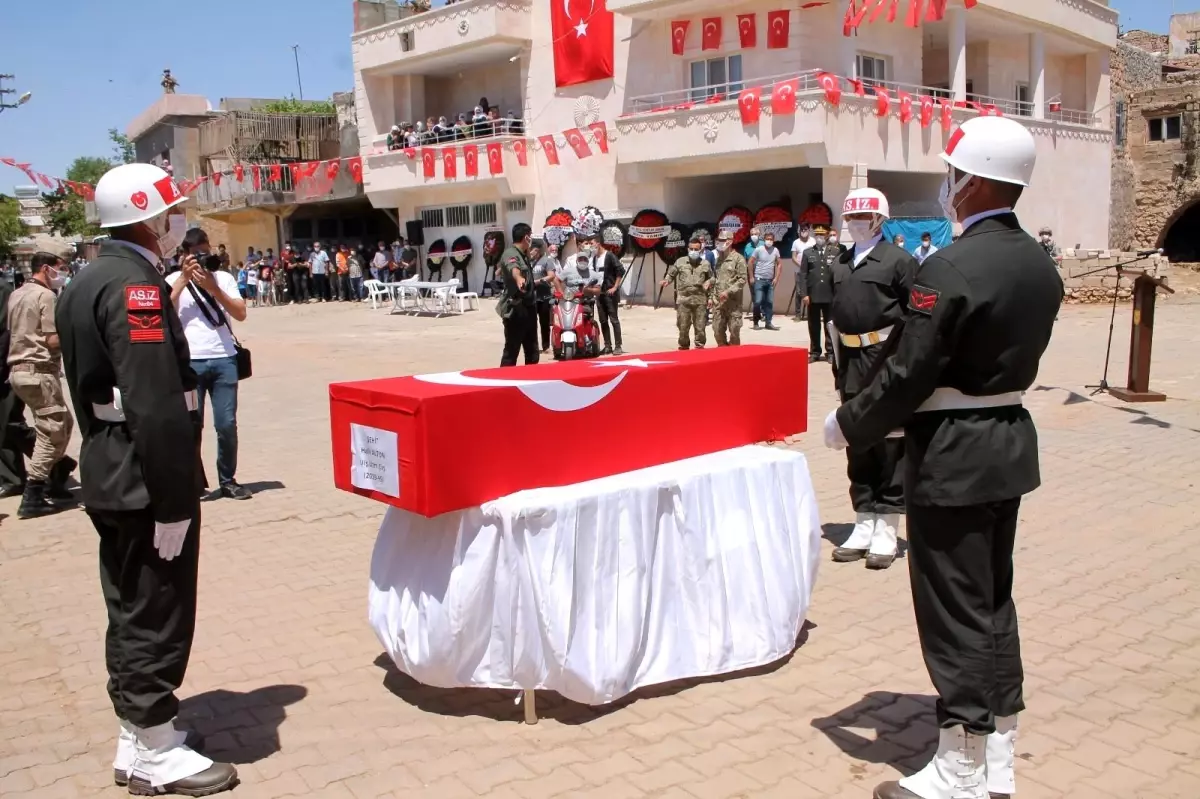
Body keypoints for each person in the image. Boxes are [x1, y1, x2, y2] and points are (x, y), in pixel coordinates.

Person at [825, 116, 1061, 799]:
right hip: (1006, 443)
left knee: (953, 609)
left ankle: (959, 767)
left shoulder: (949, 266)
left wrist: (850, 423)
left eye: (954, 172)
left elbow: (908, 372)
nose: (947, 184)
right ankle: (998, 755)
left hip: (953, 455)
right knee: (992, 602)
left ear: (978, 179)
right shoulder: (1036, 262)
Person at [55, 162, 238, 795]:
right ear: (151, 217)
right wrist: (172, 498)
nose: (175, 219)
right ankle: (156, 745)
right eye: (170, 210)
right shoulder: (134, 285)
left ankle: (139, 736)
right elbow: (155, 401)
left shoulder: (85, 279)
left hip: (111, 460)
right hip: (145, 474)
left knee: (130, 602)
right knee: (158, 606)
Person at [827, 187, 917, 572]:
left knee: (891, 443)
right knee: (857, 439)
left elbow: (918, 317)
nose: (856, 225)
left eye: (862, 218)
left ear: (880, 220)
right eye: (850, 219)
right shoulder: (842, 263)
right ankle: (864, 520)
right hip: (850, 361)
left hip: (885, 358)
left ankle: (887, 526)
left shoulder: (898, 260)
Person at [168, 227, 253, 501]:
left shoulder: (223, 278)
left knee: (226, 424)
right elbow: (161, 314)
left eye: (205, 253)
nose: (202, 259)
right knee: (192, 426)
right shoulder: (172, 280)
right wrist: (182, 279)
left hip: (224, 359)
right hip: (190, 363)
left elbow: (240, 314)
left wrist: (213, 288)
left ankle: (228, 480)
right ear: (184, 255)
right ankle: (193, 481)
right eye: (196, 255)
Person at [7, 252, 77, 517]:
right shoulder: (46, 296)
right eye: (60, 269)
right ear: (46, 269)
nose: (63, 274)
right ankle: (34, 492)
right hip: (39, 372)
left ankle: (56, 476)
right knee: (52, 430)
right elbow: (52, 340)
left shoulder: (18, 292)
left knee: (63, 423)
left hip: (20, 371)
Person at [0, 273, 36, 499]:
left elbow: (5, 334)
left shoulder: (2, 290)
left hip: (7, 368)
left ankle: (56, 463)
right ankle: (12, 478)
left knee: (11, 422)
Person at [661, 233, 714, 350]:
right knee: (683, 326)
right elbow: (671, 274)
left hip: (700, 300)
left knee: (700, 327)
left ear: (700, 250)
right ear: (688, 249)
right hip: (684, 300)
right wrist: (666, 280)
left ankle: (699, 348)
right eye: (691, 249)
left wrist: (710, 293)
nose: (693, 251)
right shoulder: (680, 262)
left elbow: (711, 278)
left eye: (696, 249)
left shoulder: (705, 263)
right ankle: (684, 347)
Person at [498, 223, 539, 367]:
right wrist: (519, 279)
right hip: (516, 310)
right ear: (526, 237)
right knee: (511, 351)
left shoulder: (523, 254)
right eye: (531, 236)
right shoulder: (511, 253)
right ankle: (505, 383)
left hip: (529, 308)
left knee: (532, 351)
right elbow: (514, 268)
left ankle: (530, 384)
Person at [798, 224, 838, 364]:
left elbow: (839, 274)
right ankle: (815, 351)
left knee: (830, 324)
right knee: (813, 325)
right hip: (813, 295)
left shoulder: (835, 252)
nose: (820, 237)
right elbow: (803, 275)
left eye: (822, 235)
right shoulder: (808, 252)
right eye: (818, 235)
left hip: (830, 295)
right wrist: (804, 294)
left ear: (827, 236)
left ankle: (831, 352)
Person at [588, 235, 625, 355]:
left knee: (614, 320)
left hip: (610, 293)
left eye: (592, 244)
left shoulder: (609, 256)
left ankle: (618, 345)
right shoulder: (594, 258)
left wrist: (615, 287)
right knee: (603, 321)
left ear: (598, 244)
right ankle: (608, 345)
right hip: (600, 294)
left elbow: (620, 270)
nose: (590, 246)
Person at [710, 230, 747, 346]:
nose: (720, 243)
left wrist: (728, 291)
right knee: (717, 331)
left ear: (730, 241)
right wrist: (711, 297)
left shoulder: (738, 259)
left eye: (722, 240)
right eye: (719, 240)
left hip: (733, 303)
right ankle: (723, 353)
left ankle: (734, 356)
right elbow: (716, 279)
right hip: (719, 303)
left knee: (734, 331)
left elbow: (742, 279)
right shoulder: (718, 260)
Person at [748, 232, 782, 331]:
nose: (769, 241)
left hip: (770, 281)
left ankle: (768, 322)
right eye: (767, 239)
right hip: (759, 279)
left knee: (769, 302)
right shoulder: (758, 250)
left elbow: (779, 264)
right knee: (758, 301)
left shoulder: (775, 250)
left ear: (774, 240)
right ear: (764, 240)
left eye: (771, 239)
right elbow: (750, 262)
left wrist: (776, 278)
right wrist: (751, 277)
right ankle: (755, 322)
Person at [530, 240, 556, 353]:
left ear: (539, 251)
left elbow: (551, 276)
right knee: (531, 323)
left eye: (535, 250)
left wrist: (538, 281)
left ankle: (546, 346)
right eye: (531, 250)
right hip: (532, 297)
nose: (532, 252)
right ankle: (533, 346)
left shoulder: (547, 261)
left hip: (544, 297)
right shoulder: (528, 262)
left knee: (544, 322)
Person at [791, 225, 816, 320]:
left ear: (809, 230)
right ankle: (797, 315)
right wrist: (802, 266)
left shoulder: (813, 241)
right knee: (799, 292)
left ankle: (811, 314)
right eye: (801, 229)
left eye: (805, 229)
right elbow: (793, 257)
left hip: (812, 271)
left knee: (811, 292)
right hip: (799, 271)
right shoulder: (796, 242)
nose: (803, 231)